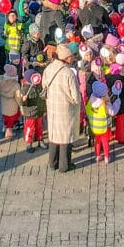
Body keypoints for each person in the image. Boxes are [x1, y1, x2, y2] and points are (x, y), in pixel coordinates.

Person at [43, 44, 81, 172]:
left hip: (52, 107)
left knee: (54, 136)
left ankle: (52, 163)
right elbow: (76, 96)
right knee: (65, 138)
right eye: (70, 56)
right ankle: (64, 165)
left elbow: (44, 86)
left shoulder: (48, 69)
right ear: (65, 58)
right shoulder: (68, 73)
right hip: (66, 110)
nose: (72, 59)